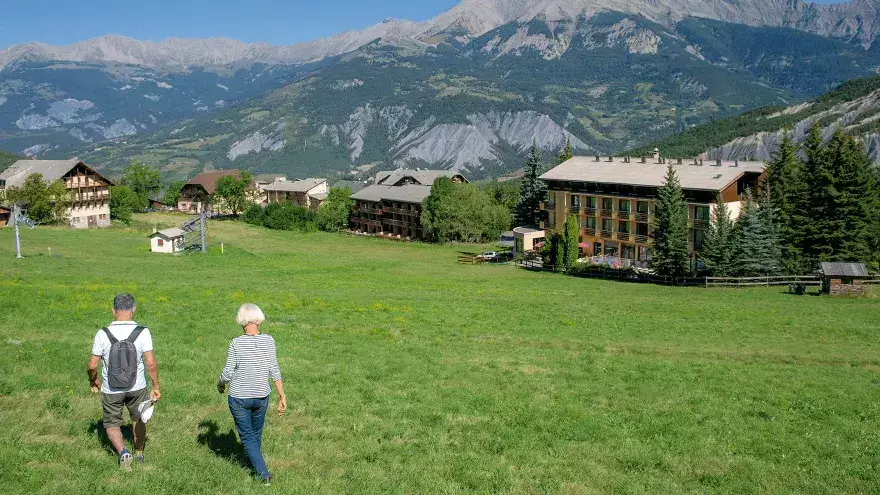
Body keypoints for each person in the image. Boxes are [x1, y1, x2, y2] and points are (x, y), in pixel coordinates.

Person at [87, 293, 161, 470]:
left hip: (111, 389)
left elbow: (92, 365)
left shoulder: (102, 333)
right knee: (139, 419)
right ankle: (139, 453)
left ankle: (122, 452)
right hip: (137, 387)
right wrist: (155, 386)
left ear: (113, 311)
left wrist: (93, 380)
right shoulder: (143, 332)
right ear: (134, 309)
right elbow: (150, 363)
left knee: (112, 422)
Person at [218, 303, 287, 485]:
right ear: (258, 319)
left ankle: (263, 474)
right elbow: (274, 369)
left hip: (239, 398)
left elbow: (228, 371)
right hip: (262, 396)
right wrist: (282, 395)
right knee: (255, 433)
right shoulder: (269, 341)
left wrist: (220, 383)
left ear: (242, 321)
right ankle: (255, 464)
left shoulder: (236, 343)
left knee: (248, 437)